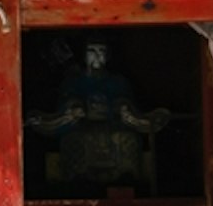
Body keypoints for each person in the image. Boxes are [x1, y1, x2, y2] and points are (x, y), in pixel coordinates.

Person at [26, 40, 169, 192]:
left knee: (129, 139)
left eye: (101, 51)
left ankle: (127, 179)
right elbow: (65, 104)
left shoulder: (118, 81)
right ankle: (76, 183)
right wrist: (74, 110)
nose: (97, 55)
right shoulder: (73, 82)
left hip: (113, 128)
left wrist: (121, 109)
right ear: (84, 56)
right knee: (72, 140)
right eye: (92, 51)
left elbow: (127, 105)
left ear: (108, 56)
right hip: (82, 128)